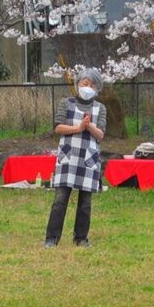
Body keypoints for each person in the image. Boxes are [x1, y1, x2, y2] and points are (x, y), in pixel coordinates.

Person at [44, 68, 107, 248]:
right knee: (60, 200)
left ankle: (81, 238)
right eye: (85, 83)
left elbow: (101, 134)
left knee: (85, 203)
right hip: (68, 156)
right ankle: (51, 238)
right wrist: (78, 128)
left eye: (92, 85)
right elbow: (58, 127)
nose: (88, 87)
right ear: (77, 84)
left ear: (97, 88)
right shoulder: (66, 103)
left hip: (89, 158)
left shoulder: (100, 108)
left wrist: (89, 127)